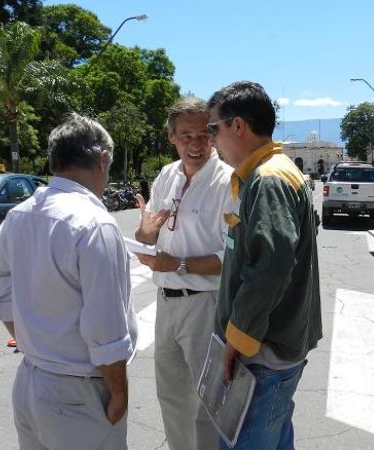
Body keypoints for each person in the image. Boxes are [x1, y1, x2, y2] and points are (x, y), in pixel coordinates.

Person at [0, 113, 137, 450]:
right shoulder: (95, 224)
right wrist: (119, 394)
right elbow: (106, 328)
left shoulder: (20, 213)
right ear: (101, 161)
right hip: (79, 392)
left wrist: (30, 341)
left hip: (30, 380)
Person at [207, 81, 322, 450]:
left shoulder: (268, 179)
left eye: (214, 129)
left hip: (261, 357)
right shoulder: (268, 173)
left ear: (237, 126)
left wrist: (236, 340)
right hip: (270, 352)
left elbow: (270, 268)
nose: (211, 140)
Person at [133, 97, 233, 450]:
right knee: (172, 396)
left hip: (205, 304)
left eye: (204, 133)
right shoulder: (166, 175)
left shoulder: (227, 180)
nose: (196, 143)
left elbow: (231, 256)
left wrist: (177, 264)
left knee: (208, 402)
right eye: (185, 135)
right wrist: (145, 232)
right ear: (171, 138)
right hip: (166, 302)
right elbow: (147, 237)